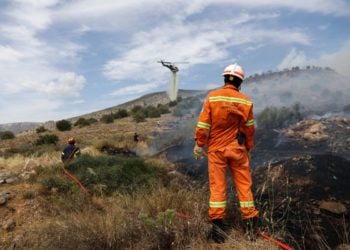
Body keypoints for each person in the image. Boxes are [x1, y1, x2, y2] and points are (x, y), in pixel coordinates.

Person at [194, 63, 259, 243]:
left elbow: (203, 126)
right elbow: (249, 129)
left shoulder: (212, 97)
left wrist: (199, 145)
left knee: (218, 188)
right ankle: (251, 227)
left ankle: (217, 231)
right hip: (238, 150)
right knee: (244, 187)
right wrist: (249, 147)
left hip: (216, 151)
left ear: (225, 79)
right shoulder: (246, 101)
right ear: (240, 82)